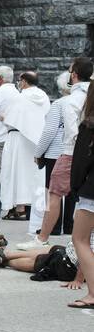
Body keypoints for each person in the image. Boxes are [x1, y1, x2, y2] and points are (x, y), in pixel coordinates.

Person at [18, 56, 90, 250]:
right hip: (89, 153)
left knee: (54, 194)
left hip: (70, 153)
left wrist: (38, 153)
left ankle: (42, 237)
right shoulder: (89, 95)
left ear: (74, 75)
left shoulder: (66, 102)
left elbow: (65, 132)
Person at [0, 71, 49, 220]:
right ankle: (30, 207)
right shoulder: (44, 97)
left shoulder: (20, 97)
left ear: (24, 82)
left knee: (15, 172)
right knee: (31, 174)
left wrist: (3, 117)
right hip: (36, 140)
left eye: (20, 81)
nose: (19, 83)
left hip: (17, 138)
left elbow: (7, 118)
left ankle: (19, 208)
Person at [64, 85, 94, 309]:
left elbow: (81, 163)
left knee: (81, 239)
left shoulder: (89, 125)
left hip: (92, 191)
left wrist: (75, 187)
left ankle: (92, 293)